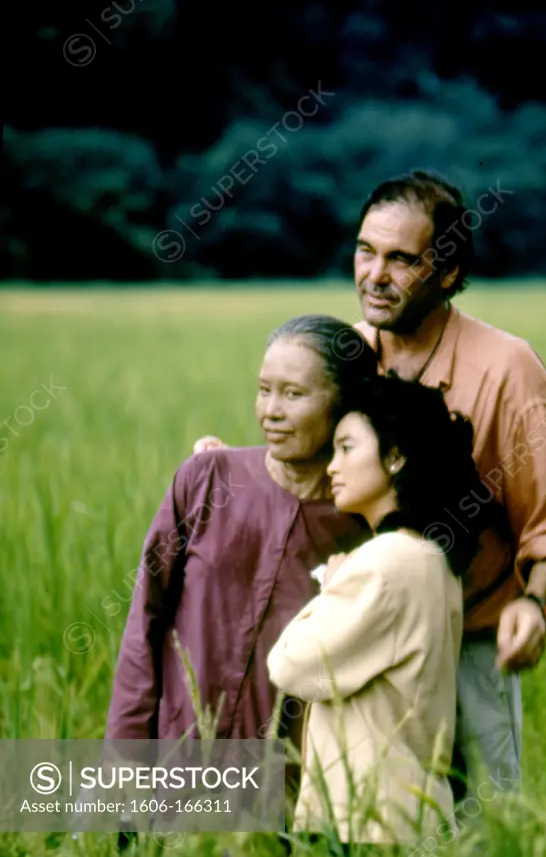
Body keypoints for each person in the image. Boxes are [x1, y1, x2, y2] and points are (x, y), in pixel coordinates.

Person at [197, 169, 546, 796]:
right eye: (365, 251)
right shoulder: (348, 355)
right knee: (353, 834)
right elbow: (304, 469)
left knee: (479, 844)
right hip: (349, 640)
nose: (374, 275)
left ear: (446, 272)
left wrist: (534, 602)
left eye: (401, 259)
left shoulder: (505, 368)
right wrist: (226, 469)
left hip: (468, 646)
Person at [105, 315, 376, 765]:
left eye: (293, 394)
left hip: (290, 779)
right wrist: (125, 755)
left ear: (346, 407)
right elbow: (144, 623)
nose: (270, 410)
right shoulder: (206, 479)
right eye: (264, 389)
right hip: (178, 760)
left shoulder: (364, 527)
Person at [267, 373, 499, 846]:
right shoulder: (434, 559)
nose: (333, 466)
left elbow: (290, 667)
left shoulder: (385, 562)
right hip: (407, 818)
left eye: (348, 448)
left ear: (394, 458)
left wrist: (329, 588)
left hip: (365, 825)